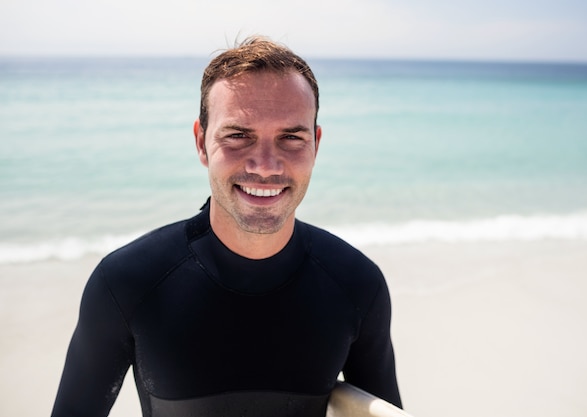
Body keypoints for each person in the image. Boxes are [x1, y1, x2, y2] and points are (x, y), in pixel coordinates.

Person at [51, 36, 402, 417]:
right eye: (238, 135)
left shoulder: (357, 286)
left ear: (315, 144)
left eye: (291, 137)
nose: (266, 165)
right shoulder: (126, 284)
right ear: (201, 143)